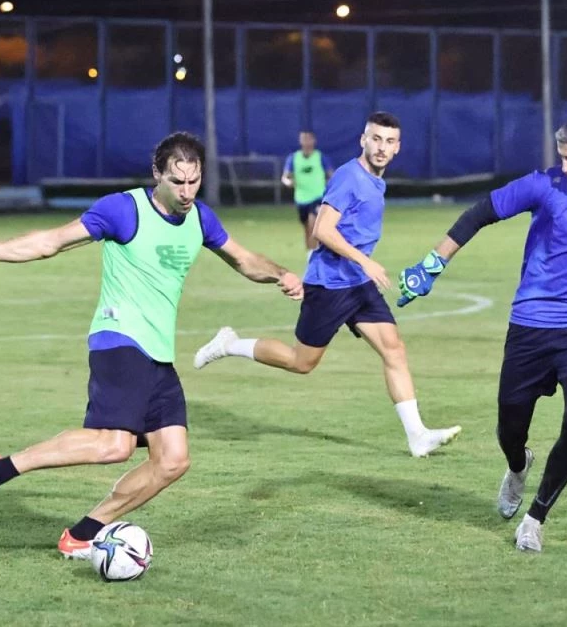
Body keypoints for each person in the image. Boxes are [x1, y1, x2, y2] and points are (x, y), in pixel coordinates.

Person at [0, 131, 303, 560]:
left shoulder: (200, 219)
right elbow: (50, 242)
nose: (186, 192)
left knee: (172, 460)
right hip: (119, 339)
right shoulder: (123, 210)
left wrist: (280, 273)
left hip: (158, 353)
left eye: (194, 181)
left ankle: (82, 534)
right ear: (157, 174)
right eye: (177, 181)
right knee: (114, 445)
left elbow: (244, 259)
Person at [397, 116, 567, 552]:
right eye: (562, 157)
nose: (566, 166)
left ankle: (534, 518)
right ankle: (518, 465)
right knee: (509, 426)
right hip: (531, 323)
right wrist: (434, 262)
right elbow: (481, 212)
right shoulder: (546, 184)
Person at [195, 112, 461, 458]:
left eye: (389, 141)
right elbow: (322, 230)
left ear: (398, 147)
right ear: (363, 140)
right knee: (301, 362)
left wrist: (362, 267)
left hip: (358, 284)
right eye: (376, 139)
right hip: (330, 285)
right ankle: (230, 344)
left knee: (394, 349)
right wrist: (365, 260)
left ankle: (418, 436)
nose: (382, 147)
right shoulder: (349, 177)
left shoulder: (375, 180)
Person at [281, 131, 334, 257]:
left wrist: (331, 187)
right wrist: (288, 182)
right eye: (304, 139)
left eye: (308, 139)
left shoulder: (320, 157)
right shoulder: (294, 158)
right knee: (306, 228)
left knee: (313, 224)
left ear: (314, 141)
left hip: (318, 197)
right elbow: (285, 177)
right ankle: (310, 253)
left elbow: (331, 174)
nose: (306, 142)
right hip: (301, 199)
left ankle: (314, 255)